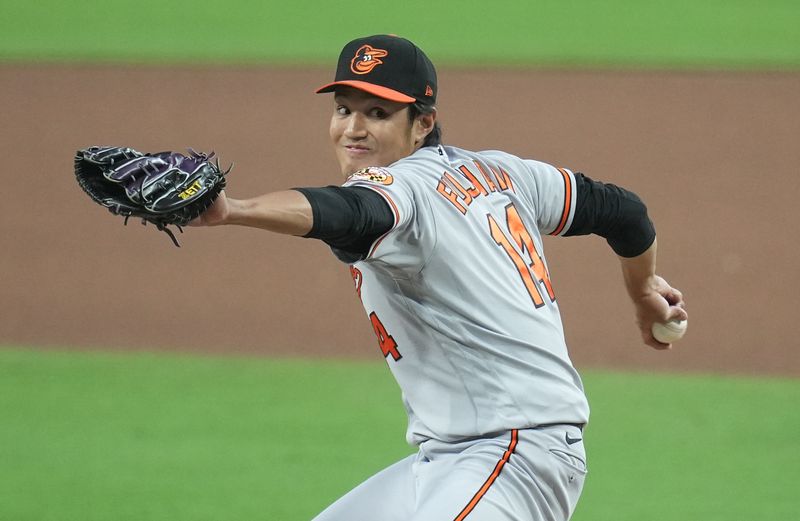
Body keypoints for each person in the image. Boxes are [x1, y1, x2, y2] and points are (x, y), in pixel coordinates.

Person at [193, 34, 688, 521]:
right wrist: (643, 290)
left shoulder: (403, 189)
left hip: (515, 453)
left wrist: (232, 209)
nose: (354, 129)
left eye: (378, 113)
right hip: (454, 460)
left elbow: (348, 211)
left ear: (422, 123)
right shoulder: (503, 172)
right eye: (344, 109)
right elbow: (622, 211)